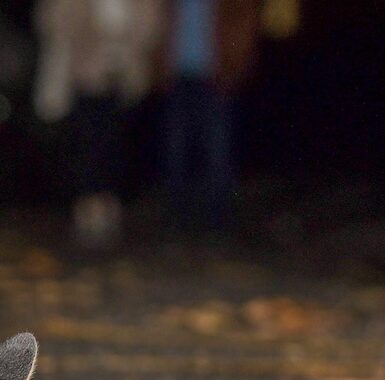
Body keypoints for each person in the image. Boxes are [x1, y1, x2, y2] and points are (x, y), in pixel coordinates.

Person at [34, 0, 166, 249]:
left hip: (125, 77)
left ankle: (110, 200)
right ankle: (87, 201)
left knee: (117, 141)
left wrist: (128, 47)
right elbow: (54, 21)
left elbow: (150, 23)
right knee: (87, 139)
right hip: (84, 76)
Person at [159, 0, 260, 233]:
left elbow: (245, 25)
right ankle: (177, 215)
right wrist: (160, 67)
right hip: (178, 77)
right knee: (175, 148)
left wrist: (234, 68)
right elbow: (160, 26)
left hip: (215, 78)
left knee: (219, 148)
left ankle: (219, 217)